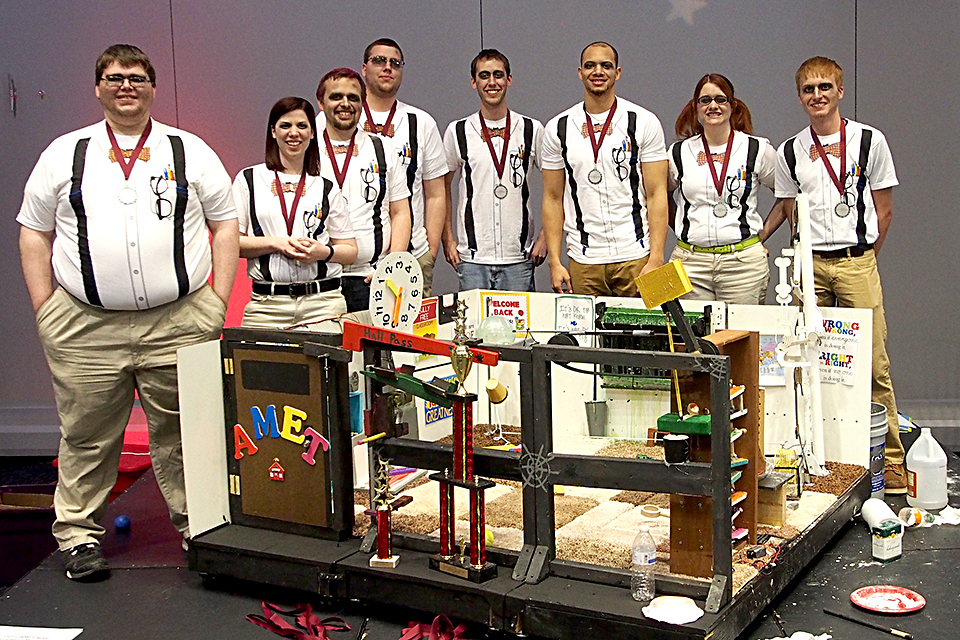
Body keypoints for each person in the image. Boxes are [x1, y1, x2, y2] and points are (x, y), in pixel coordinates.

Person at [17, 44, 238, 581]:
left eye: (137, 78)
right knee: (86, 434)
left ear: (153, 87)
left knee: (188, 431)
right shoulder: (64, 155)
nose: (126, 87)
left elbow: (225, 223)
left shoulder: (188, 151)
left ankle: (200, 529)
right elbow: (33, 232)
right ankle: (77, 536)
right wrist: (47, 310)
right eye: (114, 78)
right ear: (97, 88)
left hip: (180, 319)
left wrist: (214, 302)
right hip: (86, 325)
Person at [773, 56, 906, 493]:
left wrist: (862, 259)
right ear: (799, 97)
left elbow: (884, 212)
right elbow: (791, 211)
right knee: (811, 365)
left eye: (825, 87)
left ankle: (891, 468)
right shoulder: (790, 150)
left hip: (855, 263)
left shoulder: (871, 141)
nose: (817, 96)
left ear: (840, 91)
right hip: (810, 267)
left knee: (872, 367)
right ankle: (824, 460)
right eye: (809, 89)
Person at [541, 41, 669, 297]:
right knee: (586, 337)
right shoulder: (558, 127)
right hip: (584, 259)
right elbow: (553, 199)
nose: (597, 71)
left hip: (638, 257)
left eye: (605, 65)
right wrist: (555, 262)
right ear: (580, 72)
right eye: (590, 65)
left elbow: (657, 194)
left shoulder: (644, 121)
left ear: (617, 73)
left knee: (649, 335)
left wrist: (656, 258)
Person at [233, 97, 358, 331]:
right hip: (266, 306)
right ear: (272, 131)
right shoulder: (248, 180)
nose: (294, 133)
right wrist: (276, 243)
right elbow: (233, 244)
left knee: (328, 367)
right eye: (285, 125)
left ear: (312, 133)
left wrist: (322, 252)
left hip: (323, 303)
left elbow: (350, 251)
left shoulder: (326, 187)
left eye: (302, 126)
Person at [668, 73, 781, 304]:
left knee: (741, 337)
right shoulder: (678, 153)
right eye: (705, 100)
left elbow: (787, 195)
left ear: (733, 105)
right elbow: (658, 197)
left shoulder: (756, 149)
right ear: (695, 107)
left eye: (721, 99)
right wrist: (681, 225)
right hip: (690, 264)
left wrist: (762, 236)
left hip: (743, 265)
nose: (713, 106)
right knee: (693, 338)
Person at [441, 49, 546, 291]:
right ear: (473, 82)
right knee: (474, 329)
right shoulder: (457, 131)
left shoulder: (532, 129)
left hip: (519, 258)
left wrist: (545, 238)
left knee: (521, 330)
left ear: (509, 80)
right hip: (472, 259)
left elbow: (557, 187)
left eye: (498, 75)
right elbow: (440, 188)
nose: (492, 82)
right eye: (484, 75)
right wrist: (448, 239)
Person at [316, 68, 411, 312]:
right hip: (320, 280)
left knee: (376, 351)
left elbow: (399, 211)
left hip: (370, 278)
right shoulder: (307, 152)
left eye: (353, 97)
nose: (345, 104)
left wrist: (392, 266)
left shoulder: (383, 148)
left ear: (363, 102)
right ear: (321, 102)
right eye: (336, 97)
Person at [359, 38, 446, 295]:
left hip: (412, 257)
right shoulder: (343, 119)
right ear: (364, 68)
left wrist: (430, 252)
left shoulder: (421, 122)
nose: (387, 67)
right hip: (356, 262)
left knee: (413, 334)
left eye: (395, 63)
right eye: (379, 61)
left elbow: (436, 193)